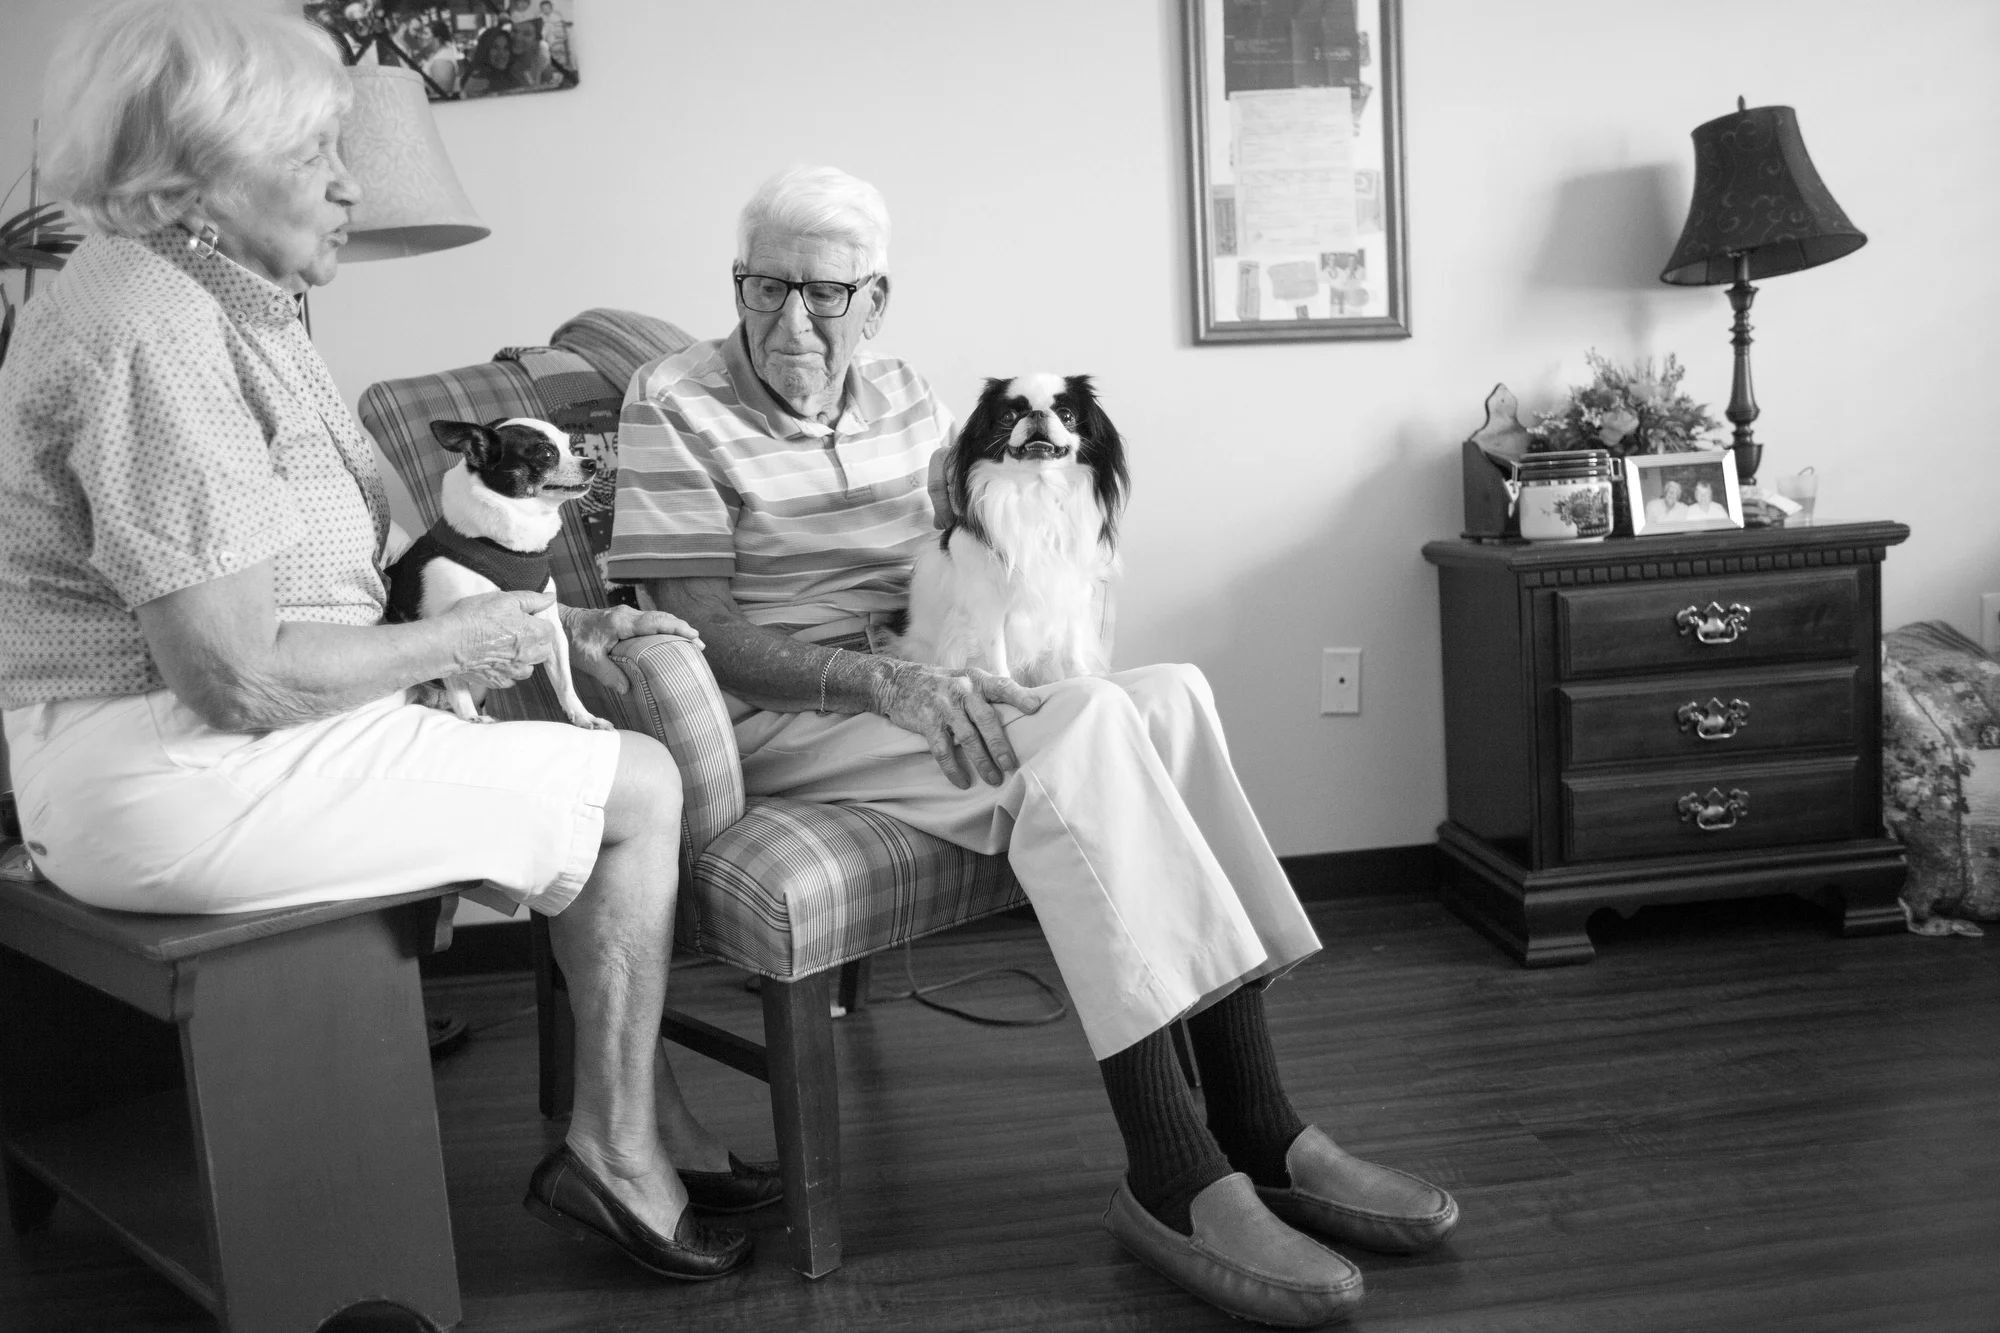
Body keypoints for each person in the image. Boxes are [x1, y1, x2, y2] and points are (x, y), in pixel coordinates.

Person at [608, 164, 1460, 1325]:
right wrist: (880, 681)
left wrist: (1027, 611)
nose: (791, 320)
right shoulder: (673, 398)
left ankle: (1258, 1123)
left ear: (876, 298)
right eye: (764, 287)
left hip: (921, 669)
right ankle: (1178, 1169)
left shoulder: (903, 391)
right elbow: (693, 623)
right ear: (736, 281)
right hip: (793, 713)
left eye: (823, 293)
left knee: (1167, 697)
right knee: (1096, 725)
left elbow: (970, 556)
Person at [0, 0, 759, 1285]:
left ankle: (651, 1119)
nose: (350, 185)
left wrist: (539, 620)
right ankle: (617, 1151)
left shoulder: (232, 307)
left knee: (577, 766)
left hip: (188, 747)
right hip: (172, 771)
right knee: (635, 785)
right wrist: (448, 648)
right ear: (191, 174)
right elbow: (234, 671)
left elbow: (354, 572)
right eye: (311, 154)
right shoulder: (155, 334)